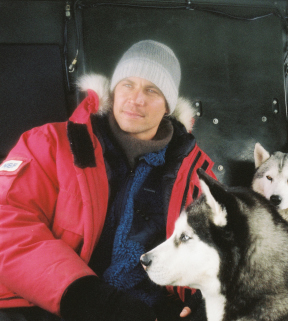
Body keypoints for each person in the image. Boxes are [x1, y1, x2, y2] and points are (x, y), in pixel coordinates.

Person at [0, 40, 216, 321]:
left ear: (168, 106)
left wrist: (206, 296)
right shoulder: (50, 144)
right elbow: (9, 224)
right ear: (113, 92)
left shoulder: (195, 173)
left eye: (152, 90)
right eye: (127, 84)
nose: (136, 99)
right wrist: (84, 296)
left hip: (150, 310)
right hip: (55, 304)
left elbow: (216, 247)